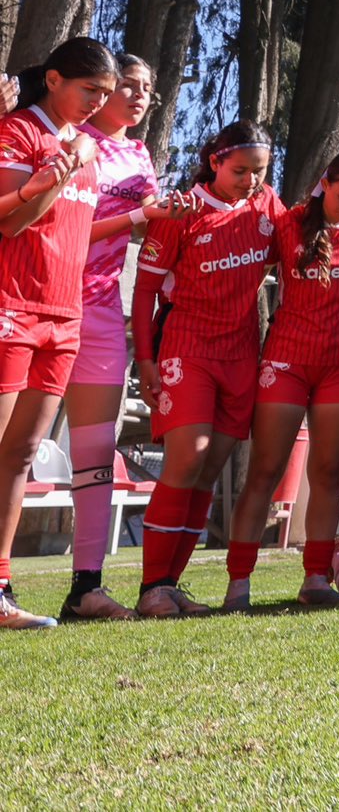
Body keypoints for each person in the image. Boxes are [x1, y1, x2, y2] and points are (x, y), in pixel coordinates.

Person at [222, 149, 339, 610]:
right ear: (325, 183)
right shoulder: (289, 222)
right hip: (287, 361)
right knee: (265, 469)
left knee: (326, 473)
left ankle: (316, 578)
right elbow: (251, 266)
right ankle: (238, 583)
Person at [131, 119, 289, 616]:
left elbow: (298, 249)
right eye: (240, 170)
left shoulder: (268, 204)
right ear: (214, 160)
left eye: (259, 172)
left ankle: (171, 585)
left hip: (241, 352)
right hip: (187, 347)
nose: (250, 181)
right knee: (187, 458)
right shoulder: (182, 210)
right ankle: (152, 586)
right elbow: (144, 290)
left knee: (210, 468)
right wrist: (145, 359)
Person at [62, 54, 192, 621]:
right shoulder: (73, 140)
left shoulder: (140, 154)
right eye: (128, 87)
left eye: (148, 89)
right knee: (14, 447)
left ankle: (85, 588)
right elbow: (59, 224)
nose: (140, 96)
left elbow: (150, 227)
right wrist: (137, 218)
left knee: (94, 454)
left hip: (102, 312)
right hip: (46, 299)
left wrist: (175, 216)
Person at [0, 38, 119, 630]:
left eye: (105, 93)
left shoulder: (89, 148)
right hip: (10, 306)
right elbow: (12, 219)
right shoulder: (21, 131)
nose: (98, 102)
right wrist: (45, 177)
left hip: (63, 316)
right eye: (88, 89)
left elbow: (79, 231)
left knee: (21, 455)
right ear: (53, 79)